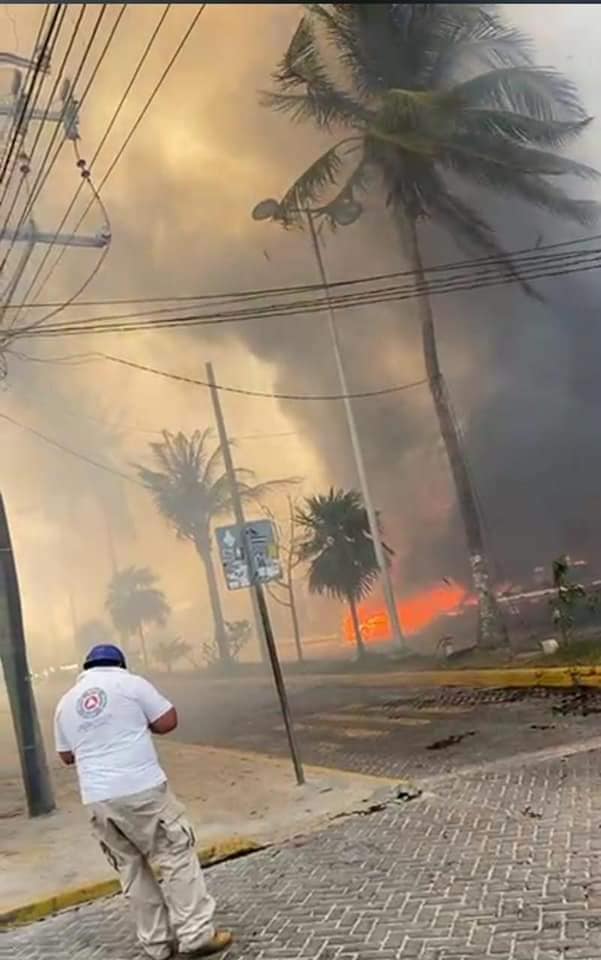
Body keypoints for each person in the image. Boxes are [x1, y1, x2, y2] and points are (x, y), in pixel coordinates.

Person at [54, 643, 232, 959]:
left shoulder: (65, 703)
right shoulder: (131, 684)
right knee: (175, 855)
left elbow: (66, 755)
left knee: (131, 869)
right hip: (142, 790)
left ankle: (157, 945)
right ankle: (196, 935)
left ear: (86, 668)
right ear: (120, 664)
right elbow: (167, 721)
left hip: (98, 799)